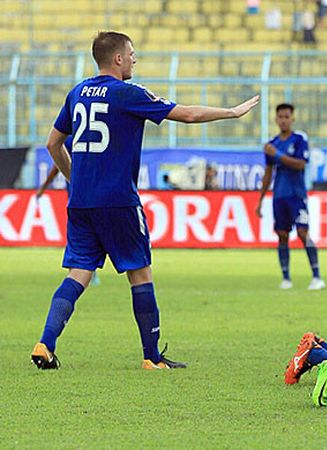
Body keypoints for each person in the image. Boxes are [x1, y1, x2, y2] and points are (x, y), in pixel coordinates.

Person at [31, 31, 259, 371]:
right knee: (140, 273)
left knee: (78, 273)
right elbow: (187, 115)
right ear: (118, 58)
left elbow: (53, 144)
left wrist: (74, 179)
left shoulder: (77, 93)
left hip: (81, 202)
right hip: (119, 200)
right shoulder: (127, 93)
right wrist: (231, 112)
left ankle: (45, 344)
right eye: (132, 54)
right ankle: (152, 357)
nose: (136, 59)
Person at [256, 103, 324, 291]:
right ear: (276, 119)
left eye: (287, 117)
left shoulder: (299, 139)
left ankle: (317, 276)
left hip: (297, 195)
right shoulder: (273, 143)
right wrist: (260, 200)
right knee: (282, 235)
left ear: (292, 118)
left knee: (303, 233)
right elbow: (268, 174)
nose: (284, 120)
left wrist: (276, 154)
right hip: (279, 196)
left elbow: (301, 164)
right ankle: (286, 278)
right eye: (280, 117)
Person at [35, 136, 100, 286]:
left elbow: (57, 163)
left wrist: (44, 187)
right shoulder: (90, 135)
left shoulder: (70, 138)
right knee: (92, 233)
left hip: (77, 199)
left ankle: (80, 271)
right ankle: (88, 271)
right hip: (96, 195)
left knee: (81, 236)